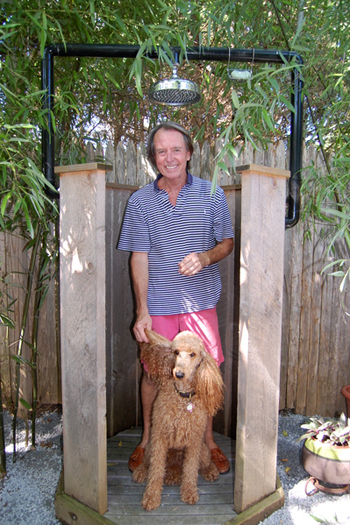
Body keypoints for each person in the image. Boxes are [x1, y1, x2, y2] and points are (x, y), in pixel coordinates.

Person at [117, 121, 234, 474]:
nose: (169, 157)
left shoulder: (212, 194)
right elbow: (138, 256)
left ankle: (207, 441)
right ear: (153, 157)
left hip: (200, 303)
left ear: (189, 153)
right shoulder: (139, 201)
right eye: (161, 151)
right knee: (154, 374)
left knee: (205, 374)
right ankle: (148, 439)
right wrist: (142, 311)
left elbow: (227, 242)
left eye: (176, 150)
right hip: (159, 306)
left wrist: (205, 257)